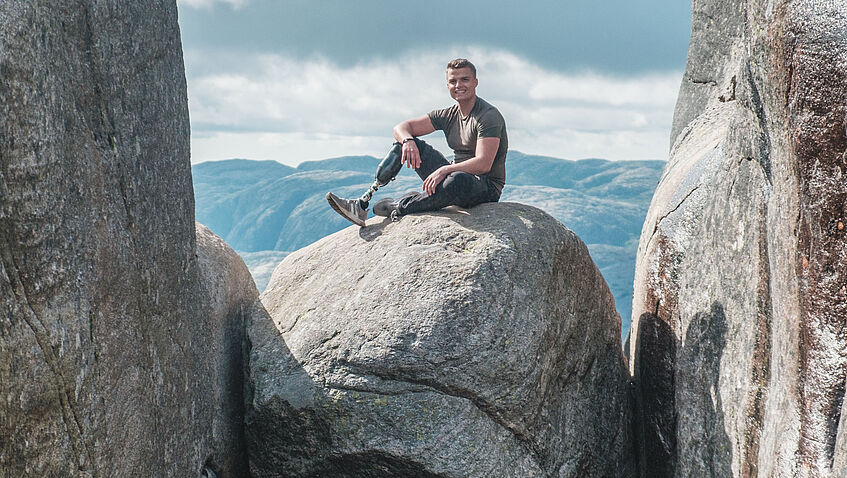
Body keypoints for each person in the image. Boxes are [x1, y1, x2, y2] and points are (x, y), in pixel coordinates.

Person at [326, 58, 508, 226]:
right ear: (447, 85)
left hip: (484, 189)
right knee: (404, 145)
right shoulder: (448, 114)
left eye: (465, 80)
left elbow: (484, 164)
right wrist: (407, 141)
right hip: (454, 176)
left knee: (457, 179)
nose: (458, 85)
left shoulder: (488, 116)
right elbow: (401, 127)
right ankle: (362, 202)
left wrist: (444, 169)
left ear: (475, 82)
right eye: (453, 81)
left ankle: (400, 206)